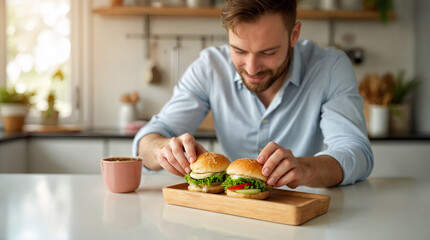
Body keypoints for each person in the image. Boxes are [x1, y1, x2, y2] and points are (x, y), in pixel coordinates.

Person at [132, 0, 374, 188]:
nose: (251, 67)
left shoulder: (331, 67)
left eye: (268, 52)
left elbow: (357, 152)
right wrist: (162, 149)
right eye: (238, 50)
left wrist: (305, 168)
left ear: (294, 35)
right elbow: (149, 138)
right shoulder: (210, 66)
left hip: (305, 213)